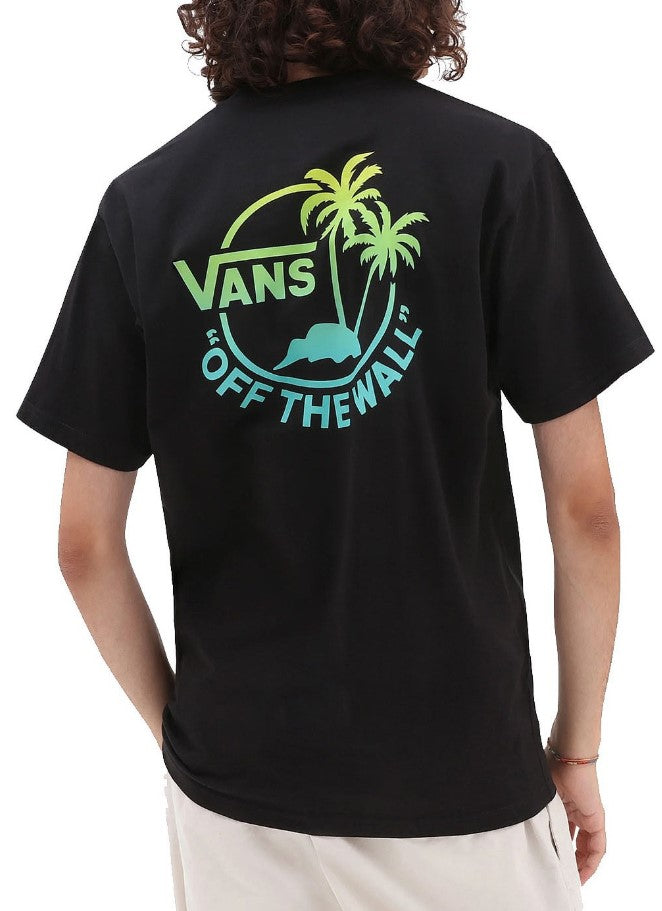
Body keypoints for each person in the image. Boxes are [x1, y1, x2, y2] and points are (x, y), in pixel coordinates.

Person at [16, 2, 654, 909]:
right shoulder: (498, 168)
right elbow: (586, 510)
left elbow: (83, 543)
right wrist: (577, 750)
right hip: (464, 774)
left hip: (239, 797)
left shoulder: (147, 204)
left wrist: (192, 742)